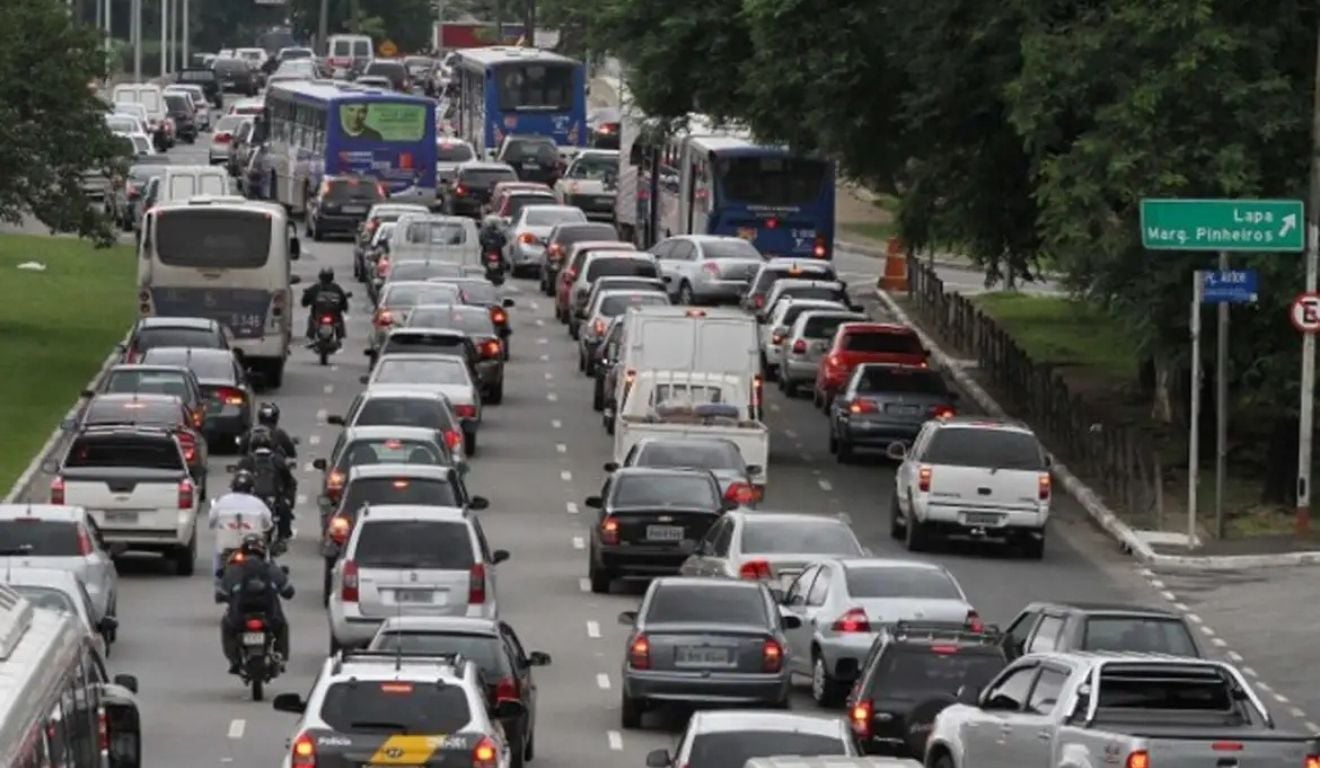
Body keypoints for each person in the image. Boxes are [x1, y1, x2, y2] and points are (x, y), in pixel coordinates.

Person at [216, 534, 293, 674]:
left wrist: (228, 597)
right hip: (270, 617)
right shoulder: (271, 569)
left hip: (239, 617)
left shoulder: (234, 570)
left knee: (227, 626)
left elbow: (220, 595)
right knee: (282, 627)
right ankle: (281, 656)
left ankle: (234, 660)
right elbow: (289, 592)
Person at [207, 470, 274, 587]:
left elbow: (211, 521)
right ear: (251, 488)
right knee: (267, 559)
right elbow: (268, 524)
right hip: (253, 549)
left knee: (217, 557)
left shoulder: (222, 501)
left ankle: (218, 583)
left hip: (227, 549)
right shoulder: (258, 503)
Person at [237, 429, 296, 539]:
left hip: (259, 503)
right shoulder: (277, 460)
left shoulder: (246, 461)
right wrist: (289, 500)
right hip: (270, 502)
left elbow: (236, 483)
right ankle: (283, 536)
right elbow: (289, 481)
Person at [300, 267, 350, 341]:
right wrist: (344, 308)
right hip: (327, 315)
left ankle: (310, 336)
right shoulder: (336, 288)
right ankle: (340, 336)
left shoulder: (316, 288)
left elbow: (305, 301)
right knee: (338, 320)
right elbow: (343, 301)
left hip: (325, 315)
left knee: (312, 319)